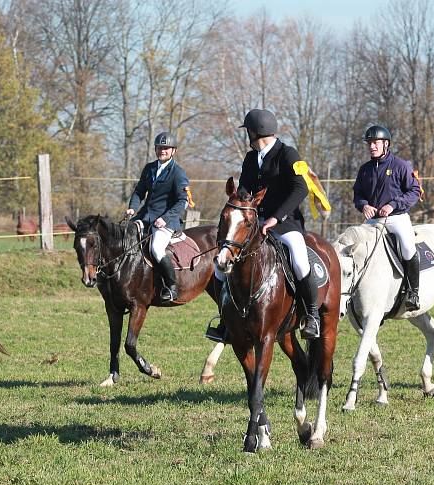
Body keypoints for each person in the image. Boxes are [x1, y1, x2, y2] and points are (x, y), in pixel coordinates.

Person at [206, 109, 320, 341]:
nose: (247, 135)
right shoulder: (250, 158)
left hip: (286, 223)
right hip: (253, 223)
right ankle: (225, 320)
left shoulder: (288, 154)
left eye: (248, 131)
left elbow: (301, 188)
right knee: (221, 264)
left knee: (299, 260)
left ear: (255, 132)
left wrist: (275, 218)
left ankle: (311, 316)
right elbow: (246, 189)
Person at [353, 125, 421, 311]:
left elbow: (415, 191)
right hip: (373, 221)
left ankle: (413, 292)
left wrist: (393, 205)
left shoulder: (400, 165)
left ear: (386, 144)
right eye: (369, 143)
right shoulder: (364, 169)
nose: (372, 146)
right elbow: (357, 194)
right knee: (356, 248)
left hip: (396, 218)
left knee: (407, 248)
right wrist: (364, 205)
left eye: (375, 143)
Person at [126, 132, 189, 301]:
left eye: (166, 148)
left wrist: (166, 218)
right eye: (160, 147)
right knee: (126, 237)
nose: (162, 151)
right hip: (145, 216)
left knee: (156, 249)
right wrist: (132, 208)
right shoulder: (149, 168)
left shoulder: (178, 173)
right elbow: (139, 191)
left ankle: (171, 286)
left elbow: (182, 201)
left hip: (166, 220)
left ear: (173, 151)